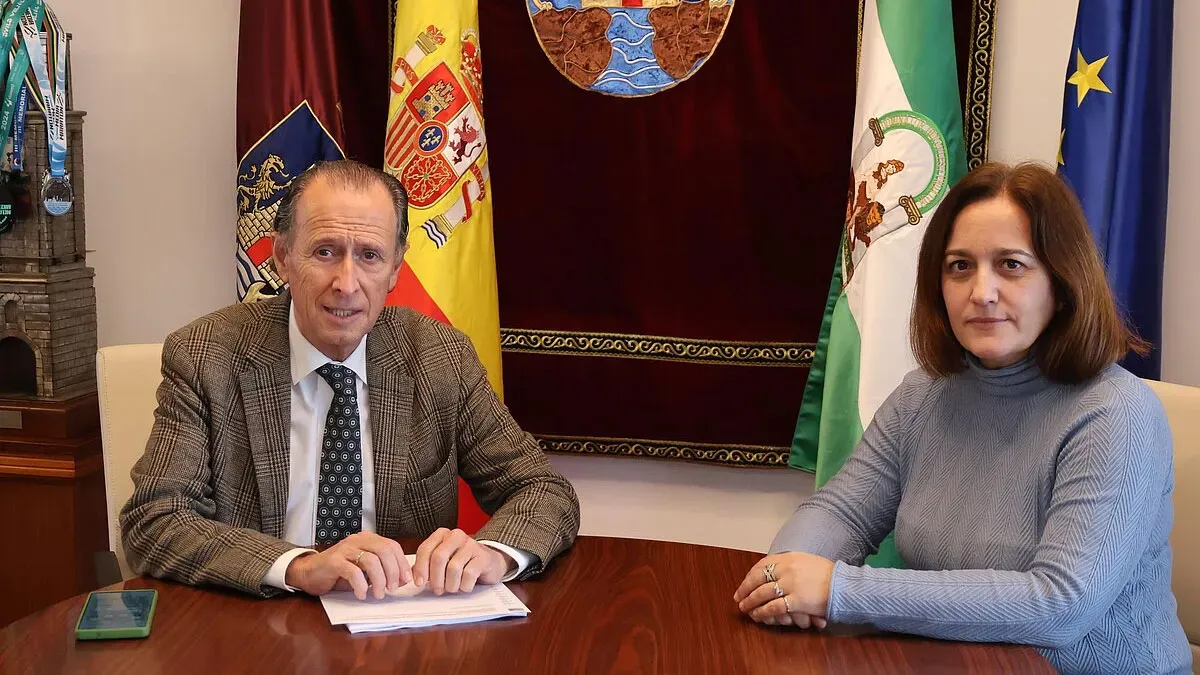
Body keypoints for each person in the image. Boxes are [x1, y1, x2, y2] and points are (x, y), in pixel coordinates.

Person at [734, 162, 1190, 675]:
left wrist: (839, 590)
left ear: (1062, 284)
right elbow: (842, 514)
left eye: (1011, 265)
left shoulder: (1116, 414)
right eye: (959, 266)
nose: (982, 292)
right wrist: (787, 575)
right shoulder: (922, 397)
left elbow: (1060, 605)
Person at [121, 160, 580, 601]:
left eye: (370, 257)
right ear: (283, 258)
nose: (346, 282)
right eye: (325, 252)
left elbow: (543, 489)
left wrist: (494, 555)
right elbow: (155, 519)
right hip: (258, 620)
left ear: (396, 269)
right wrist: (297, 566)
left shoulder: (439, 356)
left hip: (398, 625)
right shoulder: (206, 355)